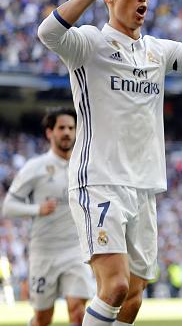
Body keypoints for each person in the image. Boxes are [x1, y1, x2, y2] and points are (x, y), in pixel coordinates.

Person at [37, 0, 182, 326]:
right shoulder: (87, 45)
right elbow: (48, 32)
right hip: (99, 181)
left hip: (144, 186)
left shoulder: (157, 52)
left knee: (132, 298)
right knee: (113, 287)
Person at [2, 108, 94, 326]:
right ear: (49, 133)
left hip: (76, 251)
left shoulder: (86, 167)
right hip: (44, 252)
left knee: (78, 311)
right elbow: (8, 206)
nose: (67, 133)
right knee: (43, 317)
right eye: (61, 128)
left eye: (71, 128)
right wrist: (37, 209)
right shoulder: (36, 167)